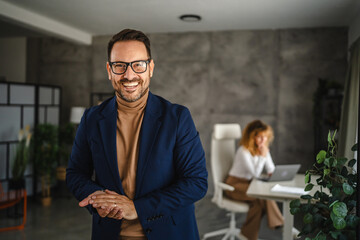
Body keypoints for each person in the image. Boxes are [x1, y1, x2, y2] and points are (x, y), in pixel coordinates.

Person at [66, 29, 208, 240]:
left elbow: (196, 182)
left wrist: (138, 208)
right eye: (120, 65)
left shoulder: (177, 117)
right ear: (109, 70)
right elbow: (76, 174)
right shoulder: (92, 118)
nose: (129, 75)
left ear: (150, 68)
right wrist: (98, 200)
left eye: (138, 64)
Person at [224, 120, 284, 240]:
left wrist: (274, 171)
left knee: (257, 205)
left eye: (266, 137)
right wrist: (262, 156)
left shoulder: (263, 149)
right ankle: (282, 224)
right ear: (252, 137)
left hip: (249, 184)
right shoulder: (243, 151)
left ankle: (247, 235)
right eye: (260, 137)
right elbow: (255, 174)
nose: (263, 140)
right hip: (234, 185)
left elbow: (271, 169)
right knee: (262, 196)